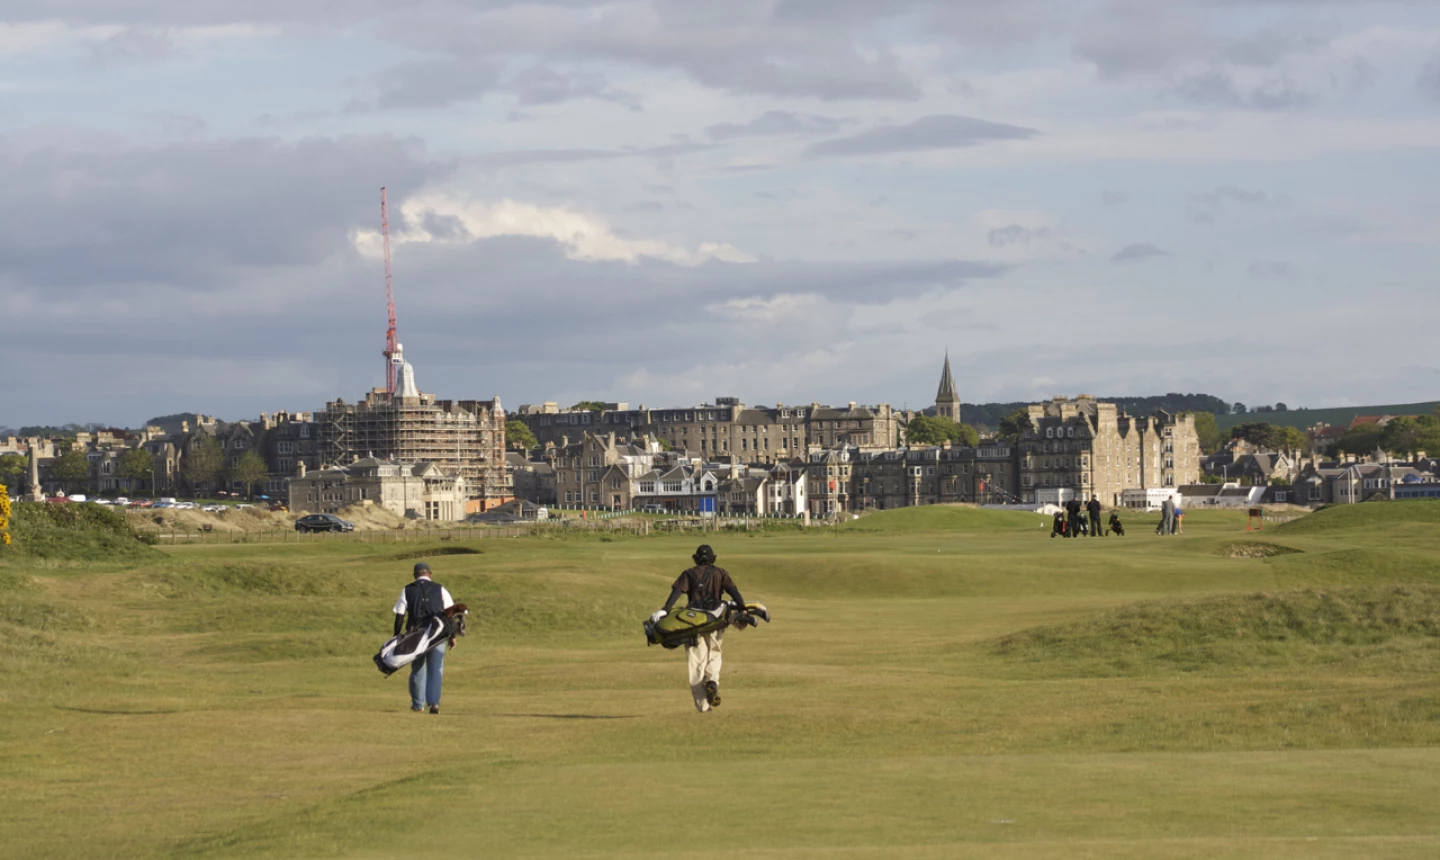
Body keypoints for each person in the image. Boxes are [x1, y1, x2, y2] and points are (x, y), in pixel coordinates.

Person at [655, 545, 746, 713]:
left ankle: (703, 706)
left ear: (696, 558)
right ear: (713, 558)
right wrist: (743, 608)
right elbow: (734, 592)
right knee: (715, 654)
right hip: (715, 621)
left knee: (696, 663)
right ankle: (712, 681)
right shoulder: (720, 573)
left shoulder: (688, 574)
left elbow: (676, 593)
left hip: (693, 623)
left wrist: (665, 610)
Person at [392, 562, 456, 714]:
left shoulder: (407, 589)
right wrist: (452, 636)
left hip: (415, 635)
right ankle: (434, 704)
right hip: (437, 635)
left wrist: (396, 636)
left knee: (417, 669)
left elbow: (400, 615)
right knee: (435, 669)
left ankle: (418, 705)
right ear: (430, 574)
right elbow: (450, 613)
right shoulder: (440, 589)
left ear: (415, 575)